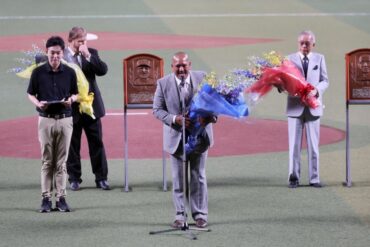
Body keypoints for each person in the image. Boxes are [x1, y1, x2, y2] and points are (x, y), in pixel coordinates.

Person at [153, 51, 216, 228]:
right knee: (179, 179)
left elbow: (216, 102)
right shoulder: (163, 83)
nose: (181, 68)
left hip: (200, 138)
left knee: (198, 177)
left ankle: (200, 215)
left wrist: (210, 117)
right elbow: (157, 109)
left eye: (184, 65)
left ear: (190, 65)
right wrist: (175, 119)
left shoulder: (204, 78)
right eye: (177, 66)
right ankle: (180, 216)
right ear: (172, 67)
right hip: (176, 139)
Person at [27, 36, 78, 212]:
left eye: (58, 53)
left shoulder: (70, 72)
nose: (55, 56)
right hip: (46, 119)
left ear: (62, 53)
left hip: (65, 119)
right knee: (47, 161)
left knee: (62, 162)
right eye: (52, 53)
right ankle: (46, 199)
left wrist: (71, 99)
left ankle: (61, 198)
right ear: (47, 53)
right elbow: (31, 94)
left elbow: (76, 94)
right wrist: (38, 103)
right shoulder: (38, 72)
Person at [64, 27, 110, 191]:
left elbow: (103, 70)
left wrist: (88, 55)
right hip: (71, 108)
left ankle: (101, 178)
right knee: (72, 145)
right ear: (70, 40)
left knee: (97, 143)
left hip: (91, 107)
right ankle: (74, 179)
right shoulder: (62, 55)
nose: (83, 44)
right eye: (79, 41)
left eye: (84, 41)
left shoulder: (91, 52)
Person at [286, 30, 329, 188]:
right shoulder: (289, 59)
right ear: (298, 43)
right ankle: (293, 177)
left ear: (313, 44)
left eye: (308, 43)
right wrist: (283, 87)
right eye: (302, 43)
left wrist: (316, 90)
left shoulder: (320, 58)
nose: (304, 46)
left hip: (313, 108)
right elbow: (285, 83)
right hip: (294, 107)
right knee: (294, 146)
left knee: (314, 146)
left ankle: (314, 178)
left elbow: (325, 80)